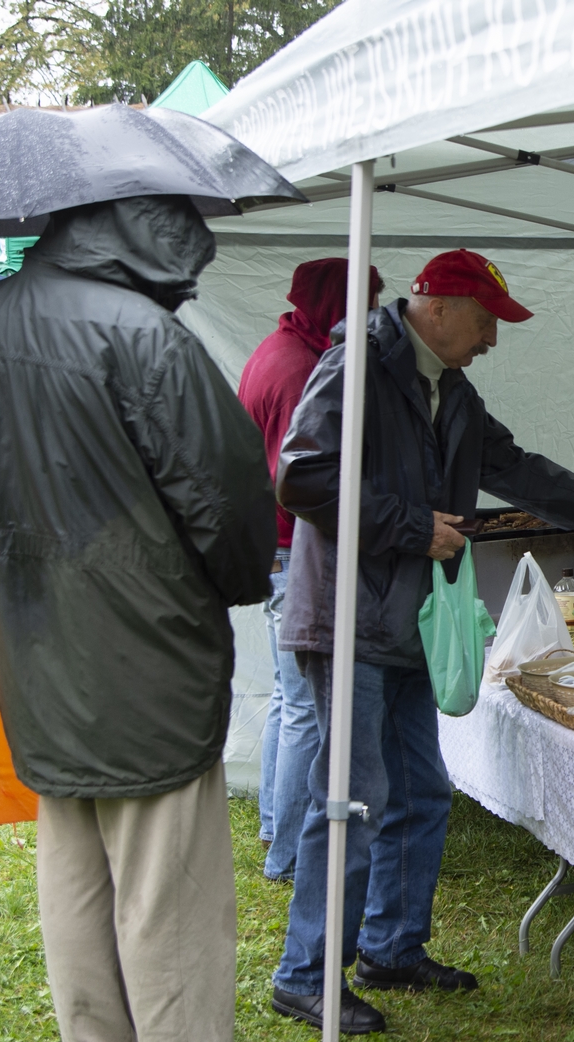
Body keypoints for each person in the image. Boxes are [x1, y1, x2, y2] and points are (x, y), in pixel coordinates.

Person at [273, 249, 574, 1034]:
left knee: (421, 791)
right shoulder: (356, 367)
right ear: (441, 306)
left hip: (412, 621)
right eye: (486, 321)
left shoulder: (452, 389)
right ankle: (305, 974)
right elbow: (302, 477)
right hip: (348, 619)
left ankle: (391, 948)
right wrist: (411, 525)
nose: (492, 339)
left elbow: (512, 466)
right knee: (353, 797)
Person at [0, 195, 275, 1042]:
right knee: (169, 905)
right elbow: (230, 503)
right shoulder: (147, 337)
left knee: (74, 884)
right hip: (147, 663)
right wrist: (240, 579)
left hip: (34, 647)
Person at [239, 258, 383, 880]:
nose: (372, 317)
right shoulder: (301, 367)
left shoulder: (276, 347)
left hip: (274, 547)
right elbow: (297, 480)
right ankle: (290, 853)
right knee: (304, 706)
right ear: (337, 303)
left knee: (287, 699)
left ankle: (277, 825)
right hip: (291, 550)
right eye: (366, 302)